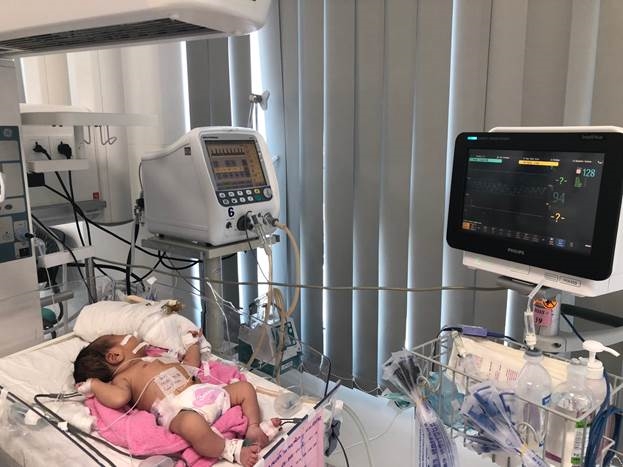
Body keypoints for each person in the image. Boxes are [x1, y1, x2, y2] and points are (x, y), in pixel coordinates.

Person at [73, 332, 279, 467]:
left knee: (245, 388)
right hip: (180, 410)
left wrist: (192, 345)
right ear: (115, 356)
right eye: (119, 336)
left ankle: (253, 428)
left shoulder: (157, 358)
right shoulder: (123, 378)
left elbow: (190, 366)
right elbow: (118, 398)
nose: (131, 334)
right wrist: (95, 385)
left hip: (204, 391)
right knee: (192, 425)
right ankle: (230, 450)